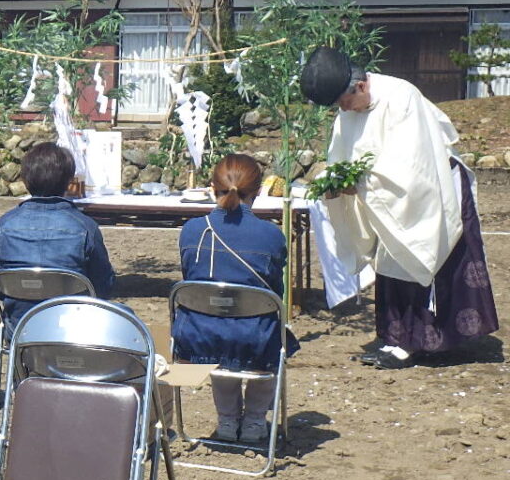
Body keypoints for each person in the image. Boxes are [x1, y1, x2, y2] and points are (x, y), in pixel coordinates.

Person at [301, 47, 498, 366]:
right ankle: (396, 337)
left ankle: (422, 341)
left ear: (361, 86)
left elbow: (413, 167)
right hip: (385, 199)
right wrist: (336, 181)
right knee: (391, 257)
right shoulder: (349, 109)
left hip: (432, 191)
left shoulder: (401, 98)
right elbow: (343, 155)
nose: (344, 110)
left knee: (421, 251)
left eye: (344, 101)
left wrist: (362, 183)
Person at [172, 154, 300, 443]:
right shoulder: (271, 235)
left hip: (197, 338)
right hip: (254, 339)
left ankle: (227, 421)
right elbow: (274, 293)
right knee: (267, 332)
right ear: (258, 192)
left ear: (211, 188)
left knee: (217, 325)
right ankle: (255, 421)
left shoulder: (192, 230)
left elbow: (194, 281)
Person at [0, 141, 116, 332]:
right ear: (69, 181)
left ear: (25, 180)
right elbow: (103, 286)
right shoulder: (85, 227)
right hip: (75, 329)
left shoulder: (5, 225)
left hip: (20, 329)